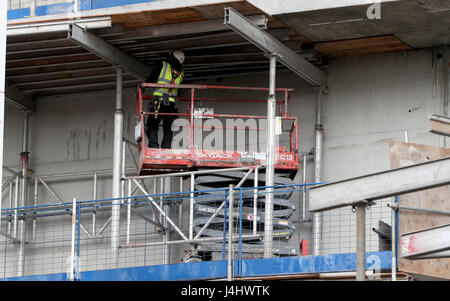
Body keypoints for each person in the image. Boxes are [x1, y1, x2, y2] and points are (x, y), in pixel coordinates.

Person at [145, 50, 185, 149]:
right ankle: (166, 148)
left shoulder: (164, 65)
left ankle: (153, 146)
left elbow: (152, 78)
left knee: (152, 124)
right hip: (170, 104)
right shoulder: (181, 73)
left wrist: (143, 87)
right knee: (168, 128)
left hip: (158, 100)